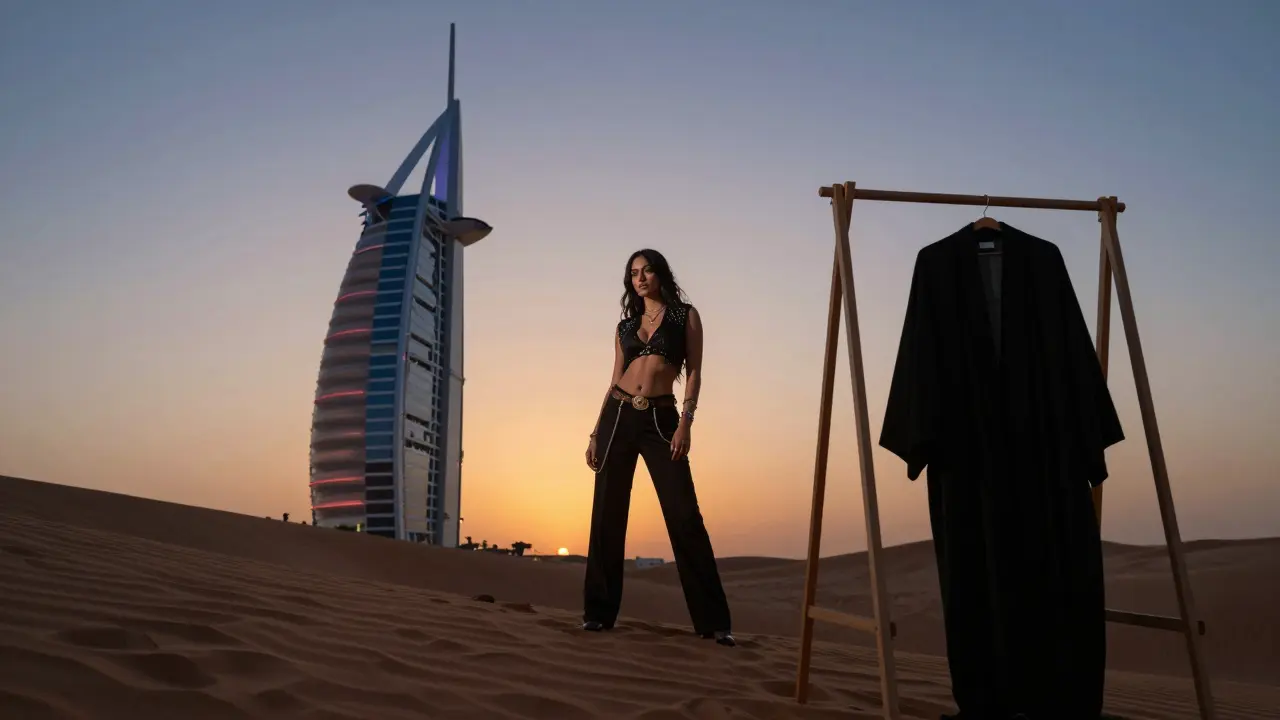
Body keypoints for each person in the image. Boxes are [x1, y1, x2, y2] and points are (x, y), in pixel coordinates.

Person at [581, 248, 734, 647]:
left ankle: (714, 622)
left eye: (647, 270)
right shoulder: (624, 327)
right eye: (634, 273)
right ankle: (598, 614)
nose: (641, 277)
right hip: (617, 416)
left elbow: (696, 370)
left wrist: (687, 421)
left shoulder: (686, 315)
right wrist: (597, 432)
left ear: (661, 274)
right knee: (607, 514)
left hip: (662, 420)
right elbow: (614, 378)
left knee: (684, 515)